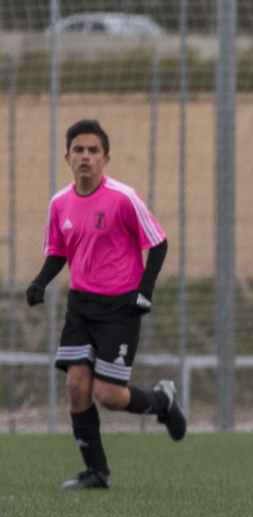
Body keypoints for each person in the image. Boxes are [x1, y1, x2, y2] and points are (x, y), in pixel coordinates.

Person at [28, 119, 185, 491]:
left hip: (120, 307)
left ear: (106, 158)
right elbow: (58, 251)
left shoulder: (123, 198)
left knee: (108, 395)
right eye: (78, 150)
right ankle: (97, 472)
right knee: (76, 386)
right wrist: (40, 281)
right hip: (80, 305)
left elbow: (158, 243)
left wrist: (145, 291)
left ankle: (162, 401)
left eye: (93, 150)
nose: (85, 156)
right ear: (67, 157)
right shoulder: (59, 203)